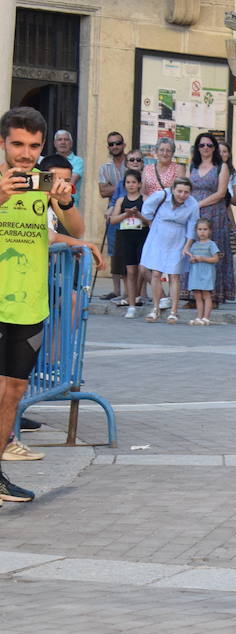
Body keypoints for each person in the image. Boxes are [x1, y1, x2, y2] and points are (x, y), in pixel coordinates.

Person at [1, 107, 102, 498]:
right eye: (18, 144)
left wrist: (65, 200)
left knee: (12, 392)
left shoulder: (42, 185)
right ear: (3, 143)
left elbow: (73, 229)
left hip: (30, 304)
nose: (25, 154)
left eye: (33, 146)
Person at [140, 176, 199, 323]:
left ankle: (173, 311)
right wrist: (150, 221)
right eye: (179, 191)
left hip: (178, 237)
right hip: (159, 234)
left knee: (174, 275)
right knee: (155, 273)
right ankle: (155, 308)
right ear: (173, 190)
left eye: (186, 192)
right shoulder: (162, 196)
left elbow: (193, 226)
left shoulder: (193, 204)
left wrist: (187, 246)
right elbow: (146, 208)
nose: (182, 195)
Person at [186, 132, 235, 306]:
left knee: (212, 253)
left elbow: (221, 193)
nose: (205, 148)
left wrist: (199, 204)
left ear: (214, 148)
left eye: (209, 145)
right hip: (195, 215)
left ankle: (213, 296)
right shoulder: (192, 166)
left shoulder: (221, 167)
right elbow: (186, 187)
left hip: (214, 214)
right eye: (202, 145)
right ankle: (193, 296)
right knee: (194, 252)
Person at [109, 169, 150, 318]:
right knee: (130, 272)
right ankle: (131, 305)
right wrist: (126, 214)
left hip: (141, 235)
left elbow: (150, 220)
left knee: (143, 269)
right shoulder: (121, 200)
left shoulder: (145, 199)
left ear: (139, 184)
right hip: (126, 236)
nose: (131, 185)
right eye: (128, 182)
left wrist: (139, 215)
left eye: (134, 182)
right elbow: (113, 220)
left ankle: (160, 296)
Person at [97, 131, 128, 302]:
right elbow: (102, 191)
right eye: (111, 144)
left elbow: (137, 186)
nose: (115, 146)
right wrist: (125, 186)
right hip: (112, 211)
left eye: (117, 143)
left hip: (132, 211)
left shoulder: (132, 163)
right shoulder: (105, 168)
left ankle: (130, 291)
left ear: (123, 144)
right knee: (114, 251)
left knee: (130, 251)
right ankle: (116, 290)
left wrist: (113, 187)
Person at [183, 218, 220, 325]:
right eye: (200, 229)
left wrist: (203, 259)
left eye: (205, 229)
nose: (202, 232)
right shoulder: (194, 245)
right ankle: (199, 316)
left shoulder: (211, 244)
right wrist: (192, 259)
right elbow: (191, 258)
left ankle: (206, 317)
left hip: (207, 273)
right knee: (197, 295)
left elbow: (216, 259)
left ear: (210, 231)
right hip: (195, 273)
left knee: (206, 295)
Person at [52, 129, 82, 204]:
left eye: (66, 140)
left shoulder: (78, 161)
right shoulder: (49, 160)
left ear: (71, 143)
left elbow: (70, 182)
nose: (63, 142)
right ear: (55, 143)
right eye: (59, 140)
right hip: (51, 205)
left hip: (70, 204)